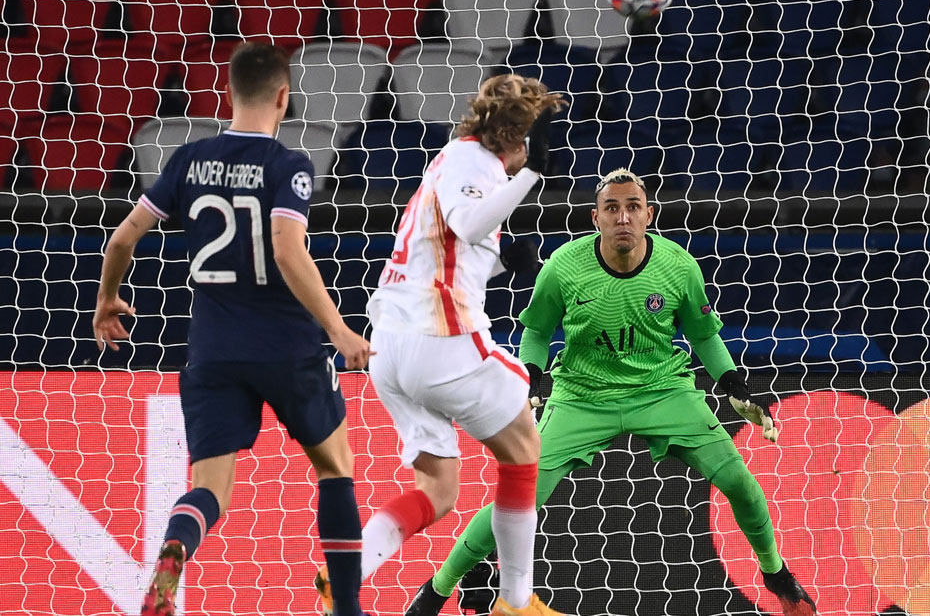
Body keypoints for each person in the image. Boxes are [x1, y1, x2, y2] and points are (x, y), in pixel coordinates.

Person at [402, 168, 818, 616]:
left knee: (740, 482)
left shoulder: (678, 267)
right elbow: (537, 331)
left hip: (661, 390)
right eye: (613, 209)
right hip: (581, 394)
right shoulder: (563, 266)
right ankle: (437, 591)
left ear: (649, 215)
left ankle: (775, 572)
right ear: (595, 218)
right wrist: (531, 376)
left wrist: (734, 383)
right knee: (516, 499)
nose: (623, 217)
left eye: (633, 207)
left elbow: (703, 336)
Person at [92, 42, 371, 616]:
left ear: (228, 92)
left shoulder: (188, 160)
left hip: (213, 349)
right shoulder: (288, 165)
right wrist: (339, 330)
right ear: (284, 98)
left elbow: (121, 237)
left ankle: (176, 548)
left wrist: (106, 299)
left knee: (211, 489)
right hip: (287, 347)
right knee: (335, 467)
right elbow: (288, 251)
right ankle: (346, 608)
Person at [315, 74, 566, 616]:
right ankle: (516, 602)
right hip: (440, 342)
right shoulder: (475, 163)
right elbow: (469, 222)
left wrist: (507, 260)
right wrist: (535, 175)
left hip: (392, 351)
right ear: (518, 136)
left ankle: (347, 573)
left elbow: (455, 246)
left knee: (439, 490)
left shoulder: (455, 164)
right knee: (524, 448)